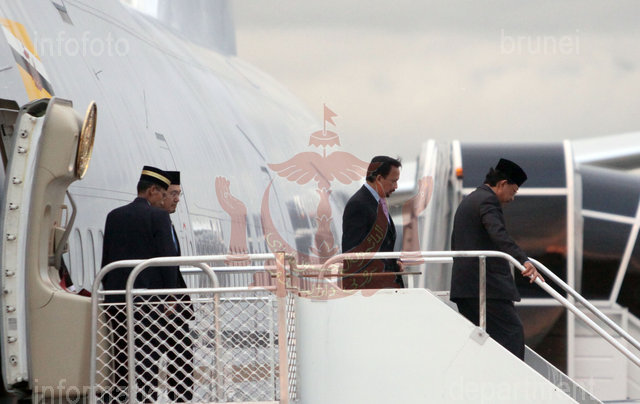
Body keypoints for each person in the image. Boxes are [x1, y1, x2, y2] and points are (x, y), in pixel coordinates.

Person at [101, 165, 182, 401]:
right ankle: (146, 399)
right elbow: (167, 260)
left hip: (117, 301)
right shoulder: (158, 217)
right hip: (148, 302)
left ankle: (121, 398)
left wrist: (109, 293)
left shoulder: (114, 216)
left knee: (121, 355)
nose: (164, 200)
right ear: (152, 191)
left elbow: (106, 260)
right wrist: (171, 295)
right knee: (148, 357)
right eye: (163, 194)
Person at [450, 158, 544, 360]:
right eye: (514, 191)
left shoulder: (471, 199)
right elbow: (498, 233)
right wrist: (523, 260)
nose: (512, 198)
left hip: (466, 287)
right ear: (502, 184)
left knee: (485, 343)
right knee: (512, 333)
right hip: (484, 287)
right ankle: (511, 378)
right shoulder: (487, 200)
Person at [341, 155, 404, 289]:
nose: (396, 186)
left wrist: (394, 263)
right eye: (393, 181)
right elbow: (353, 254)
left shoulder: (378, 202)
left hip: (385, 286)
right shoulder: (358, 205)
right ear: (379, 178)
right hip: (372, 289)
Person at [161, 170, 194, 402]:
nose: (177, 199)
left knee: (182, 356)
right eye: (173, 193)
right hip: (163, 304)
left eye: (179, 194)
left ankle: (181, 398)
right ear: (158, 194)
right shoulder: (156, 222)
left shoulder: (168, 223)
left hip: (175, 305)